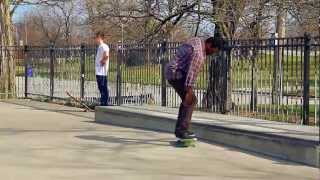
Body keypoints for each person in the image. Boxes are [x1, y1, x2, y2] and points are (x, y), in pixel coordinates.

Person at [165, 36, 223, 139]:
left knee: (187, 100)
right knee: (191, 100)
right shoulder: (199, 54)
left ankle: (180, 130)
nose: (212, 53)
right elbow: (192, 72)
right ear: (209, 44)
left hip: (171, 70)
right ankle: (182, 131)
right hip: (176, 73)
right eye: (213, 50)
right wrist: (188, 88)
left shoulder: (196, 40)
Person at [95, 32, 110, 106]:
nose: (95, 40)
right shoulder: (100, 46)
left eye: (96, 38)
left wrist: (103, 61)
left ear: (99, 38)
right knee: (101, 87)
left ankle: (104, 103)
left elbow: (106, 54)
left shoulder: (104, 46)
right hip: (99, 71)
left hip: (102, 72)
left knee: (103, 87)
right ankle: (103, 102)